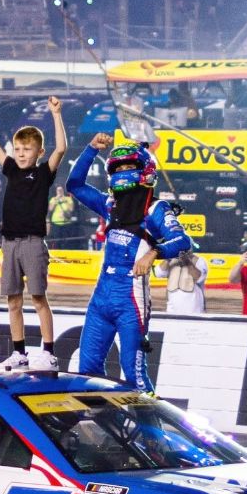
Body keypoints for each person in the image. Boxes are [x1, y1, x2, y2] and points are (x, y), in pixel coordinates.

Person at [67, 134, 197, 392]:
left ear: (145, 170)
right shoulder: (109, 204)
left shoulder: (156, 208)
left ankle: (152, 431)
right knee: (87, 373)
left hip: (132, 301)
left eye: (129, 167)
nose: (123, 172)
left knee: (134, 375)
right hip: (101, 299)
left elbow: (183, 241)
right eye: (119, 168)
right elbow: (75, 184)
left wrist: (154, 253)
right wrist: (91, 148)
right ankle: (103, 426)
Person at [0, 94, 67, 371]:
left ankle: (48, 352)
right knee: (13, 301)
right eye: (18, 149)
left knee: (38, 298)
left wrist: (56, 114)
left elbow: (61, 149)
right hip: (8, 244)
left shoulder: (44, 173)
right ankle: (19, 352)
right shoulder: (9, 168)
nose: (21, 153)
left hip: (33, 244)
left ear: (38, 153)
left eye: (27, 149)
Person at [156, 250, 208, 314]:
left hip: (193, 307)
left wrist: (188, 262)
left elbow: (199, 278)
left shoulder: (199, 261)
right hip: (172, 306)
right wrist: (168, 258)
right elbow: (158, 273)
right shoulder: (171, 260)